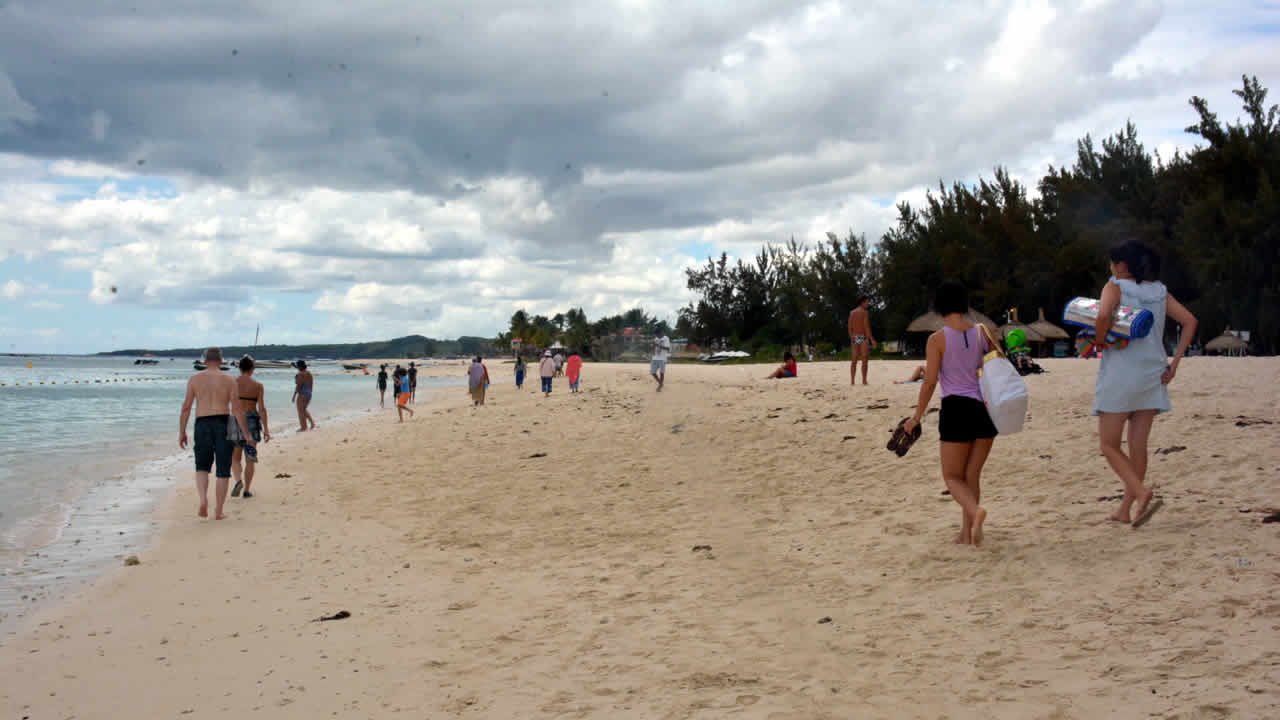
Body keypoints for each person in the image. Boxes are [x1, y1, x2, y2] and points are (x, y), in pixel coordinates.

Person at [1090, 241, 1197, 527]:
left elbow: (1102, 316)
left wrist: (1099, 342)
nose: (1111, 267)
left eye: (1113, 262)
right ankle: (1125, 509)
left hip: (1121, 374)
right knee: (1138, 445)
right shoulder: (1159, 291)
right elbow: (1190, 321)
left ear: (1122, 265)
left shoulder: (1114, 287)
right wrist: (1174, 364)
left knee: (1109, 445)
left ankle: (1139, 492)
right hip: (1153, 373)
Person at [904, 281, 997, 546]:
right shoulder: (984, 333)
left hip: (956, 409)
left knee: (952, 477)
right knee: (972, 476)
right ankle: (969, 534)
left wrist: (916, 417)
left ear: (939, 306)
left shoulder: (937, 339)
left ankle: (975, 512)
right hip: (984, 410)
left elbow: (930, 382)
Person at [178, 347, 256, 520]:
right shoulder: (229, 380)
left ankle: (203, 500)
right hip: (222, 422)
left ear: (204, 361)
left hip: (202, 423)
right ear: (221, 361)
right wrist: (247, 435)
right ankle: (219, 511)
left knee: (202, 466)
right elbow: (236, 409)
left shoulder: (195, 379)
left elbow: (186, 407)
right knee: (223, 468)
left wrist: (182, 431)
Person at [229, 355, 270, 499]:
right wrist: (266, 429)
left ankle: (238, 481)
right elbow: (262, 409)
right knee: (250, 458)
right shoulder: (258, 386)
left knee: (235, 457)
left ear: (240, 368)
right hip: (252, 420)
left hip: (235, 420)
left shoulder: (232, 383)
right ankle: (247, 489)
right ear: (252, 369)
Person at [848, 295, 876, 385]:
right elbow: (866, 328)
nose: (868, 304)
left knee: (854, 360)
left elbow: (849, 327)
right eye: (867, 302)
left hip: (855, 337)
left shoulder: (852, 312)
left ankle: (852, 381)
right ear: (862, 302)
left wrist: (851, 337)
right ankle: (864, 380)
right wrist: (872, 340)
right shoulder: (864, 312)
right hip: (863, 337)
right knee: (864, 360)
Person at [292, 361, 317, 431]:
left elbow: (298, 386)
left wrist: (294, 396)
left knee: (300, 411)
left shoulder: (300, 374)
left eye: (297, 366)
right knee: (303, 410)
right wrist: (310, 393)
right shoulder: (309, 373)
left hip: (302, 394)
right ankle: (312, 423)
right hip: (308, 393)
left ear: (300, 367)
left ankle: (303, 427)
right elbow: (311, 384)